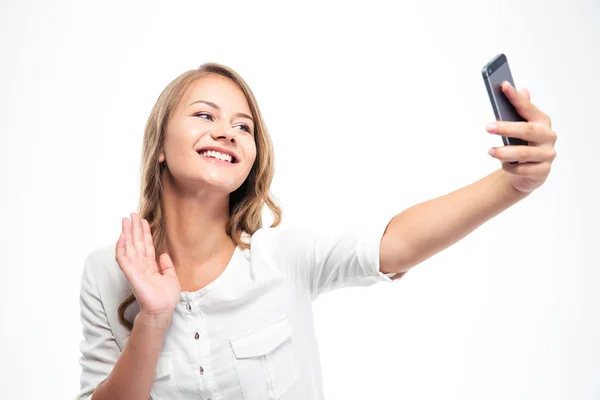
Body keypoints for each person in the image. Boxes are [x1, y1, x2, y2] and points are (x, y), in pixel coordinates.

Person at [76, 62, 557, 400]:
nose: (226, 132)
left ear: (252, 157)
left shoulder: (282, 256)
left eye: (243, 127)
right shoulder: (106, 272)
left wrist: (512, 186)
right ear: (159, 144)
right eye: (205, 115)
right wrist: (154, 319)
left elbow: (397, 244)